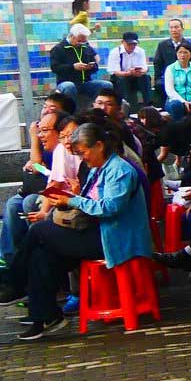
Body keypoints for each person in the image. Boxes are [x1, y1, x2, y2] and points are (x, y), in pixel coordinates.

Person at [2, 122, 152, 340]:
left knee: (39, 231)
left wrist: (73, 200)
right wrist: (68, 200)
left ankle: (13, 283)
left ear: (99, 145)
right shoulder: (97, 169)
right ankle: (44, 315)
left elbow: (109, 207)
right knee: (41, 255)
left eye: (84, 152)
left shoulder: (120, 170)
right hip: (96, 231)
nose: (83, 158)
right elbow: (90, 201)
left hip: (115, 238)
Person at [102, 30, 149, 103]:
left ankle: (148, 103)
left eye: (134, 44)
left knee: (145, 78)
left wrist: (141, 71)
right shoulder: (115, 52)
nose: (132, 46)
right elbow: (115, 72)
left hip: (135, 77)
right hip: (121, 77)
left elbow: (144, 67)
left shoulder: (140, 51)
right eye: (129, 44)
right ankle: (127, 105)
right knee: (123, 80)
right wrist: (128, 73)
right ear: (122, 42)